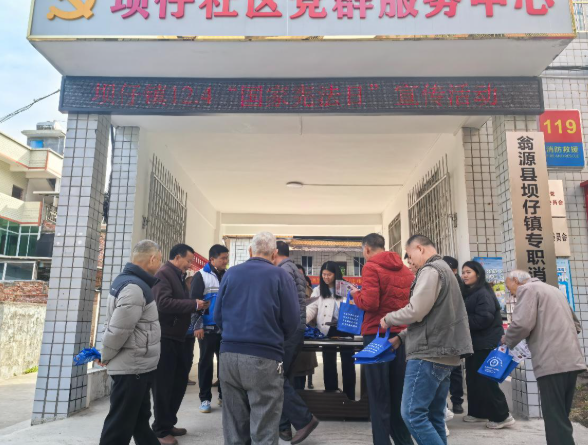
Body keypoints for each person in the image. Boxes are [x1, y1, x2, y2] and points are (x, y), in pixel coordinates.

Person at [381, 235, 473, 445]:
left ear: (419, 249)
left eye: (409, 255)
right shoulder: (445, 270)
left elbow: (416, 311)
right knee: (434, 416)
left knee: (412, 414)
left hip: (428, 354)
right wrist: (402, 337)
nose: (409, 261)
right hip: (444, 354)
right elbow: (435, 316)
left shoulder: (431, 271)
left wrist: (388, 319)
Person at [214, 232, 300, 445]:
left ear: (250, 251)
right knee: (264, 427)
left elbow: (217, 316)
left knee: (234, 427)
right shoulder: (281, 276)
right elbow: (292, 321)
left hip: (229, 356)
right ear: (274, 253)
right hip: (264, 357)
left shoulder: (231, 273)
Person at [502, 270, 587, 445]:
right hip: (571, 359)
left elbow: (522, 324)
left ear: (516, 280)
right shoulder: (553, 290)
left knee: (554, 415)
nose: (512, 294)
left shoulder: (527, 290)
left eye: (510, 289)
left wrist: (507, 340)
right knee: (561, 414)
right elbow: (576, 325)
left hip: (552, 360)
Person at [350, 233, 414, 445]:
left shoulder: (371, 267)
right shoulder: (405, 270)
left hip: (376, 336)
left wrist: (356, 295)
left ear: (367, 249)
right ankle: (403, 441)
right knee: (397, 394)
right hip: (401, 337)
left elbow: (370, 303)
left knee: (378, 395)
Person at [98, 240, 163, 445]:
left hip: (137, 367)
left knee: (139, 421)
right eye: (160, 260)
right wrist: (105, 355)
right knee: (119, 427)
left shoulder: (132, 283)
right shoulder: (134, 288)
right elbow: (119, 330)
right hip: (131, 368)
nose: (160, 265)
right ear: (152, 259)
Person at [153, 244, 208, 445]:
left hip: (179, 337)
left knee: (178, 383)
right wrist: (193, 304)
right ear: (177, 257)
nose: (190, 264)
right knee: (164, 385)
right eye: (188, 260)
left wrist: (196, 305)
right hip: (166, 338)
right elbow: (163, 303)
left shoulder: (178, 275)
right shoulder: (164, 274)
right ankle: (160, 430)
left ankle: (168, 423)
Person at [274, 241, 319, 444]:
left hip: (287, 331)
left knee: (276, 378)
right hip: (296, 329)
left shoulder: (283, 271)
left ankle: (304, 420)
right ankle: (284, 427)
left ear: (275, 252)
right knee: (285, 378)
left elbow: (281, 303)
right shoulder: (294, 270)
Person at [461, 261, 514, 429]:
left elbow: (485, 318)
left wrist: (462, 322)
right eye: (463, 272)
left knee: (486, 381)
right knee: (473, 379)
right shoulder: (472, 292)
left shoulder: (483, 293)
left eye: (468, 272)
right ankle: (479, 413)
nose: (465, 275)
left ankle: (502, 416)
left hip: (486, 343)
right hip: (475, 343)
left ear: (478, 274)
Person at [306, 261, 356, 401]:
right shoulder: (318, 290)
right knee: (329, 362)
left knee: (348, 362)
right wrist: (301, 321)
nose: (326, 277)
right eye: (323, 274)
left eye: (329, 274)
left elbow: (355, 305)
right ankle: (331, 394)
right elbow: (311, 309)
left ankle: (349, 396)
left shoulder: (346, 287)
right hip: (327, 329)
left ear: (336, 275)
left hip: (345, 328)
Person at [189, 244, 229, 413]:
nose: (226, 261)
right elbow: (193, 302)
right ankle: (205, 398)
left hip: (224, 329)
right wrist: (197, 325)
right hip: (206, 329)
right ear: (212, 259)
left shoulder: (228, 275)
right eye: (223, 258)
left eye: (227, 258)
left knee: (224, 364)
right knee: (206, 364)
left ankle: (223, 396)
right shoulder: (201, 276)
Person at [442, 256, 465, 415]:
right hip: (445, 331)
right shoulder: (442, 282)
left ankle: (456, 402)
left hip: (454, 331)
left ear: (454, 270)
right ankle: (448, 403)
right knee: (446, 369)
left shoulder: (459, 285)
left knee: (454, 369)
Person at [294, 263, 318, 391]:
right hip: (289, 339)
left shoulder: (311, 292)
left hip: (306, 337)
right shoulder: (283, 289)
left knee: (300, 376)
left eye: (301, 275)